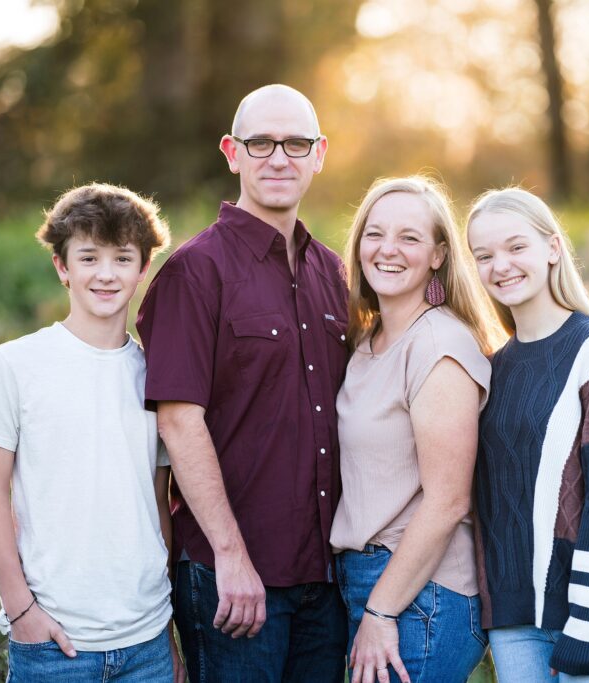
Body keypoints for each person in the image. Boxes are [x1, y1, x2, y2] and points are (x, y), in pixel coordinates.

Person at [135, 84, 349, 682]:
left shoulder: (335, 272)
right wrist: (231, 558)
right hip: (234, 582)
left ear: (319, 153)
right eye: (261, 143)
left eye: (296, 143)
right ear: (232, 152)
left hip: (326, 579)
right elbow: (179, 421)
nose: (279, 158)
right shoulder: (194, 272)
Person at [0, 183, 183, 682]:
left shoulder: (157, 375)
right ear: (62, 268)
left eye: (122, 258)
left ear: (143, 270)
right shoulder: (17, 364)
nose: (106, 274)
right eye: (88, 258)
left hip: (147, 641)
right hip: (53, 642)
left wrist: (168, 626)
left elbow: (157, 500)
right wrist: (21, 611)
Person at [465, 188, 589, 682]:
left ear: (552, 248)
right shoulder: (494, 368)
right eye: (483, 255)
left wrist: (587, 622)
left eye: (516, 247)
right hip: (515, 623)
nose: (500, 266)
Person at [330, 176, 500, 683]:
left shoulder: (439, 344)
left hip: (420, 596)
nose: (387, 250)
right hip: (373, 582)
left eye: (409, 238)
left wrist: (381, 612)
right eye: (374, 234)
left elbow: (449, 500)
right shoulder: (368, 340)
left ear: (438, 255)